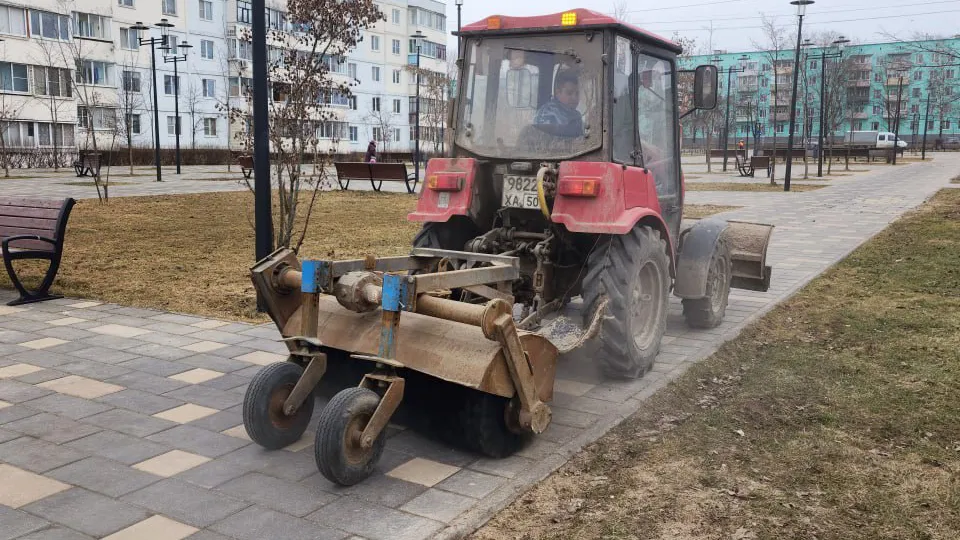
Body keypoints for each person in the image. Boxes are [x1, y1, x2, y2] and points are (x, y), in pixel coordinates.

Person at [533, 70, 584, 138]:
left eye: (577, 93)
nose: (574, 97)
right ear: (558, 93)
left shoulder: (576, 115)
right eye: (569, 93)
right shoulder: (547, 113)